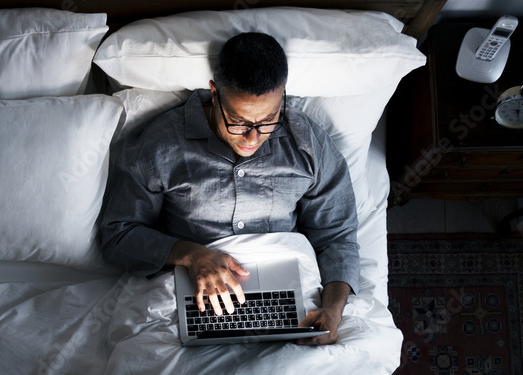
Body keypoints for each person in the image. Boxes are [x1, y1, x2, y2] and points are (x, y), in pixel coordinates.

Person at [99, 32, 359, 346]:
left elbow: (337, 235)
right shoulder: (159, 147)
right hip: (189, 289)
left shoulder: (308, 145)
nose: (252, 137)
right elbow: (118, 233)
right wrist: (192, 256)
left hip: (290, 289)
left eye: (267, 120)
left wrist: (332, 309)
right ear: (214, 94)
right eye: (237, 121)